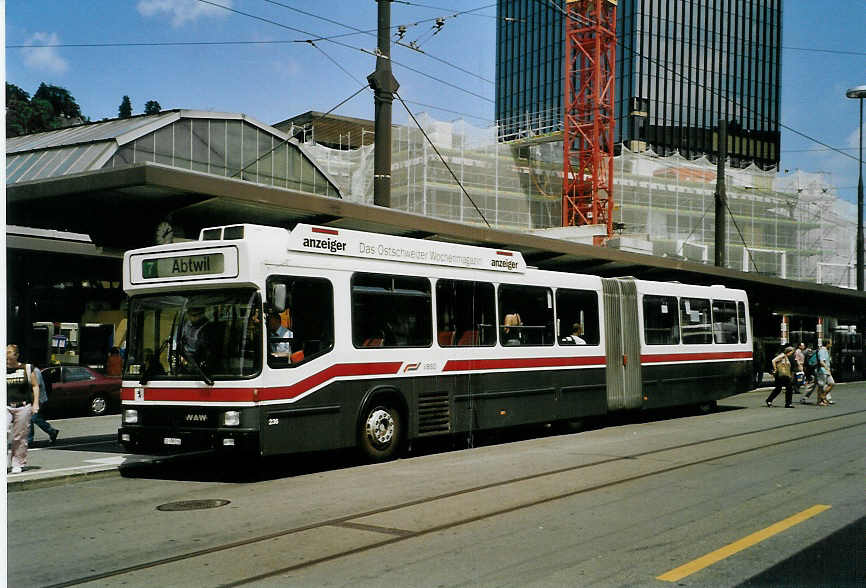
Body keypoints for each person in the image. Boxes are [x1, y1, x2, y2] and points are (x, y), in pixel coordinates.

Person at [7, 344, 40, 473]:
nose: (7, 361)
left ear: (16, 356)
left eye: (10, 357)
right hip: (5, 406)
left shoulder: (26, 368)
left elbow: (35, 386)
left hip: (23, 406)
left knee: (19, 437)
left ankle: (17, 463)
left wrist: (35, 403)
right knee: (3, 432)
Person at [27, 362, 59, 445]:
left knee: (34, 418)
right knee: (30, 419)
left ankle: (52, 431)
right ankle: (30, 440)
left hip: (39, 399)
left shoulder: (35, 371)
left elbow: (37, 385)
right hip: (30, 399)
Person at [816, 340, 835, 406]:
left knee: (832, 383)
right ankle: (819, 401)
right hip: (822, 371)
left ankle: (823, 396)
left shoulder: (826, 350)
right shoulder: (822, 351)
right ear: (827, 344)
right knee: (821, 386)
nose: (831, 345)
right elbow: (821, 361)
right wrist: (826, 368)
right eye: (830, 344)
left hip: (826, 371)